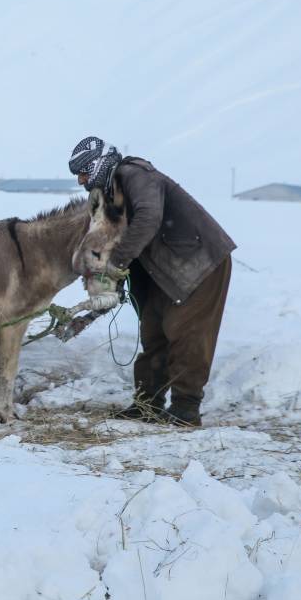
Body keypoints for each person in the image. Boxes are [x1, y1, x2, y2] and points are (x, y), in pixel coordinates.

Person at [68, 137, 236, 426]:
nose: (82, 180)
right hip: (162, 268)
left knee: (187, 332)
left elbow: (149, 218)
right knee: (153, 332)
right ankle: (149, 404)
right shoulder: (111, 194)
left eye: (84, 171)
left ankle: (186, 407)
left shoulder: (134, 174)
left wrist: (118, 262)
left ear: (100, 164)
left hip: (198, 262)